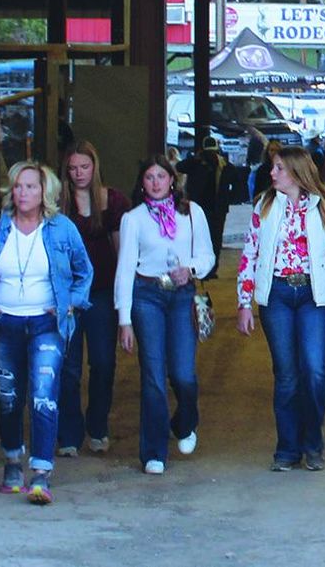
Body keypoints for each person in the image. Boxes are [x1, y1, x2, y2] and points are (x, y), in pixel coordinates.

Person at [0, 161, 93, 504]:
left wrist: (71, 304)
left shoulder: (61, 228)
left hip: (48, 323)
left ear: (44, 191)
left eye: (30, 186)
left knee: (44, 392)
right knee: (8, 397)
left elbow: (84, 271)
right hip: (4, 324)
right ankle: (12, 460)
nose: (23, 193)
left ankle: (41, 472)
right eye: (17, 186)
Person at [236, 147, 325, 471]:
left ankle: (312, 442)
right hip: (277, 295)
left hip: (314, 296)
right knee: (286, 375)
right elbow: (250, 255)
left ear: (297, 172)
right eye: (272, 168)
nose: (271, 174)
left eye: (278, 169)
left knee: (315, 370)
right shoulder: (264, 205)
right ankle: (287, 448)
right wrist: (244, 302)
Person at [115, 156, 215, 475]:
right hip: (147, 295)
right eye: (149, 177)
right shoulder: (133, 219)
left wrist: (193, 269)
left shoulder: (192, 212)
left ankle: (185, 422)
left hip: (182, 293)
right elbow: (125, 268)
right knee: (153, 375)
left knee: (184, 374)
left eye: (161, 176)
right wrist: (124, 318)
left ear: (172, 180)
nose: (156, 182)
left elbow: (208, 255)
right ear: (141, 182)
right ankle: (154, 451)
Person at [56, 142, 130, 458]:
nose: (79, 173)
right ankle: (69, 433)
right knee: (68, 367)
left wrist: (123, 295)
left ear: (94, 166)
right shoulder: (57, 202)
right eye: (73, 168)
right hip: (68, 295)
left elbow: (121, 250)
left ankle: (98, 426)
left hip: (101, 293)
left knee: (102, 362)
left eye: (84, 167)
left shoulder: (112, 200)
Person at [176, 136, 232, 279]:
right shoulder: (224, 163)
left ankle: (201, 267)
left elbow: (179, 166)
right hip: (218, 207)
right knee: (216, 238)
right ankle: (212, 269)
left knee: (198, 238)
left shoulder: (196, 162)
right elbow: (236, 180)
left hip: (199, 206)